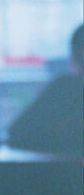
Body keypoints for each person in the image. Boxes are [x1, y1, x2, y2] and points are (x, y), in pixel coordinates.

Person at [7, 23, 84, 155]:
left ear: (74, 56)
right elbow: (17, 132)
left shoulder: (64, 88)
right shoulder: (64, 88)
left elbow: (17, 132)